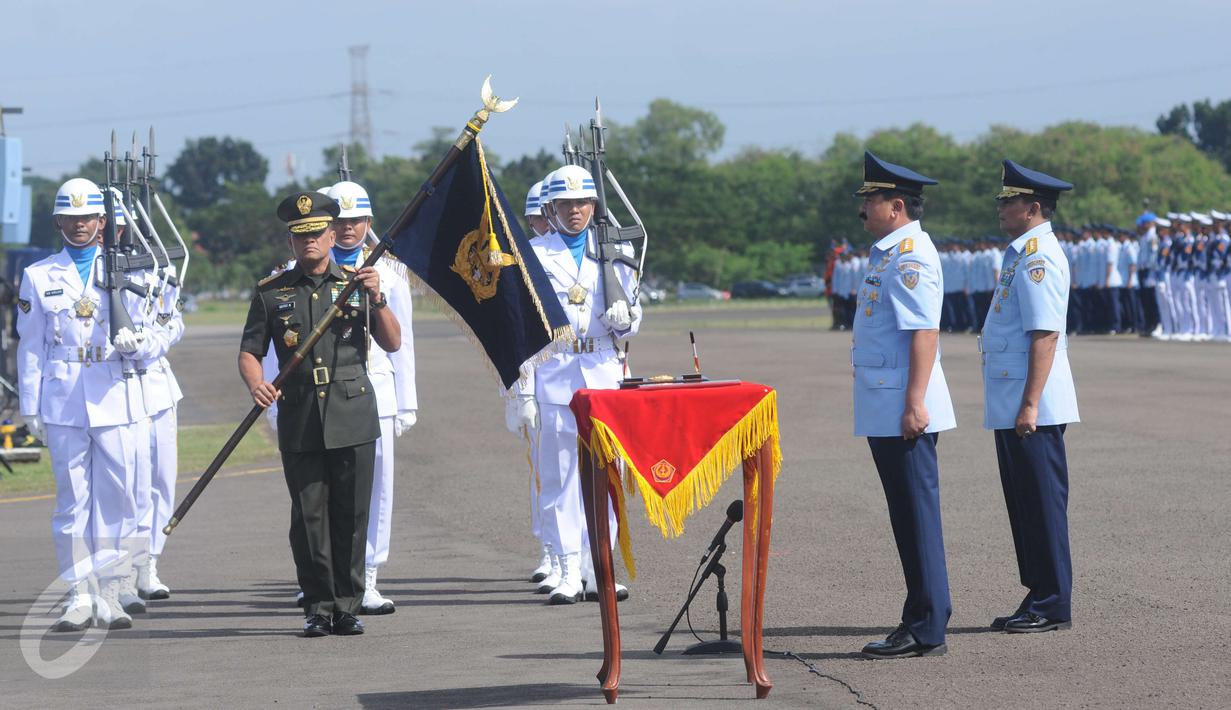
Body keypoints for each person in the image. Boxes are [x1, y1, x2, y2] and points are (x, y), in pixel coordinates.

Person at [239, 190, 401, 637]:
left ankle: (347, 606)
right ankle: (318, 605)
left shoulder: (355, 282)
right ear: (290, 242)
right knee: (308, 516)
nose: (308, 241)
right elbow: (250, 351)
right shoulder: (273, 294)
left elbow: (392, 342)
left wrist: (379, 298)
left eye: (316, 233)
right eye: (299, 235)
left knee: (351, 513)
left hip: (352, 409)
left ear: (332, 236)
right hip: (301, 413)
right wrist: (256, 383)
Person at [17, 178, 164, 631]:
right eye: (71, 217)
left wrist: (138, 345)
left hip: (113, 392)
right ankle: (79, 594)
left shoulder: (130, 271)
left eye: (89, 217)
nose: (80, 225)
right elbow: (30, 346)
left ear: (103, 222)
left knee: (117, 499)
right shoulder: (39, 275)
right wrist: (30, 406)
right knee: (71, 502)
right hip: (63, 398)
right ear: (58, 220)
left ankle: (110, 590)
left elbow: (155, 331)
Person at [849, 151, 955, 659]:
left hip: (903, 409)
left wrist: (914, 403)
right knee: (906, 517)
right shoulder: (889, 252)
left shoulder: (910, 254)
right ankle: (920, 618)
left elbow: (923, 332)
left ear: (896, 205)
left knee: (916, 517)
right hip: (887, 404)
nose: (862, 210)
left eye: (870, 201)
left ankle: (927, 625)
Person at [522, 164, 640, 605]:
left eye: (583, 202)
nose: (576, 211)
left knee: (606, 476)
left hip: (603, 372)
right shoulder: (533, 254)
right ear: (551, 208)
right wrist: (523, 390)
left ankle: (599, 567)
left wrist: (627, 321)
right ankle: (569, 566)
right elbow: (524, 326)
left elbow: (632, 317)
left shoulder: (614, 250)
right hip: (556, 371)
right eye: (567, 204)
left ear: (594, 205)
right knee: (560, 476)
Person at [982, 160, 1080, 634]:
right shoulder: (1020, 251)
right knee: (1024, 503)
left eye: (1009, 200)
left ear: (1033, 207)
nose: (1001, 207)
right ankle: (1038, 591)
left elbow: (1044, 333)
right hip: (1015, 398)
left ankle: (1053, 601)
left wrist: (1029, 404)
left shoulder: (1039, 255)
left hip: (1031, 402)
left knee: (1041, 502)